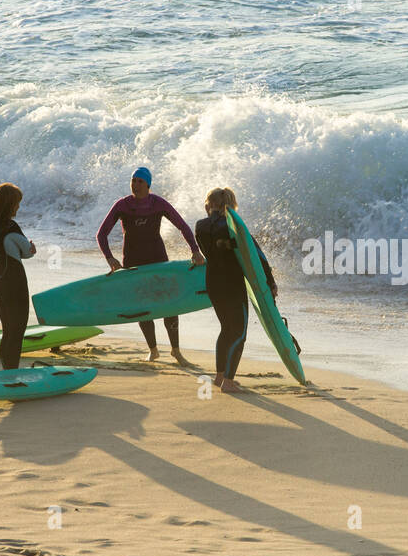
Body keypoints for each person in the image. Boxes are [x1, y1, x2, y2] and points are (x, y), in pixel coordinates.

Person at [96, 166, 205, 362]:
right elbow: (101, 234)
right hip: (133, 261)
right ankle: (153, 349)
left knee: (169, 303)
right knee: (141, 305)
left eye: (140, 181)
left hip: (157, 260)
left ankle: (176, 350)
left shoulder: (158, 204)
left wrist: (195, 250)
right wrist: (110, 258)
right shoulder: (122, 206)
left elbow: (182, 226)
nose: (135, 185)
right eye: (133, 181)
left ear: (148, 185)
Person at [195, 187, 277, 393]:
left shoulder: (200, 226)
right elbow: (258, 255)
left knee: (225, 328)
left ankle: (220, 376)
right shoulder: (234, 228)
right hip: (232, 284)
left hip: (213, 283)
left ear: (209, 204)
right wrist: (270, 282)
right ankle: (229, 382)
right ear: (231, 206)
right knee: (239, 332)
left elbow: (210, 251)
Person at [0, 183, 36, 371]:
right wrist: (31, 247)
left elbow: (5, 250)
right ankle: (12, 372)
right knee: (17, 331)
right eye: (17, 203)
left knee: (7, 331)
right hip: (15, 283)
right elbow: (28, 252)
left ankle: (7, 370)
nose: (18, 207)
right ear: (9, 204)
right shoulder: (11, 226)